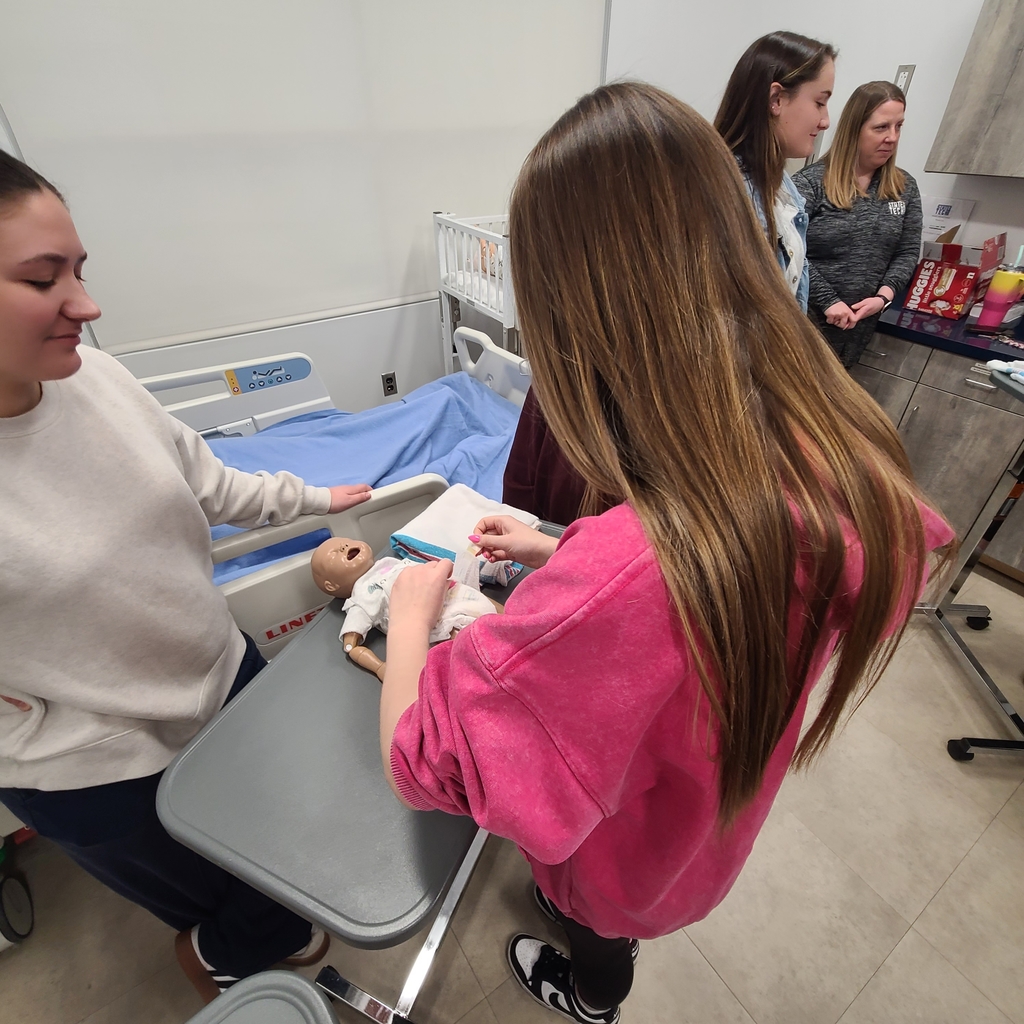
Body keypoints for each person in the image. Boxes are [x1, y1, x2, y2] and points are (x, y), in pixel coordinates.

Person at [375, 83, 955, 1024]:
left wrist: (408, 619)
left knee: (599, 933)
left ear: (581, 316)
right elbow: (708, 577)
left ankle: (590, 995)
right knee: (621, 913)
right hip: (698, 828)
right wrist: (561, 543)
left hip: (619, 859)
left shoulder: (628, 571)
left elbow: (423, 766)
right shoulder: (835, 464)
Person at [0, 150, 372, 1003]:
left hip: (220, 669)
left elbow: (211, 483)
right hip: (100, 768)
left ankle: (265, 926)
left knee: (286, 844)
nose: (86, 307)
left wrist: (317, 498)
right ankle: (216, 960)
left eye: (81, 270)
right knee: (239, 906)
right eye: (42, 278)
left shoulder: (99, 379)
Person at [793, 82, 923, 367]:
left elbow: (908, 251)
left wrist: (883, 297)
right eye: (881, 127)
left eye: (898, 126)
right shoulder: (810, 183)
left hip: (857, 328)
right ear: (855, 129)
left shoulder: (904, 187)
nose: (892, 137)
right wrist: (827, 300)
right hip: (802, 323)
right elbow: (788, 250)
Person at [714, 31, 837, 311]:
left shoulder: (784, 190)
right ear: (776, 99)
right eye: (820, 102)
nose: (825, 120)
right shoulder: (725, 192)